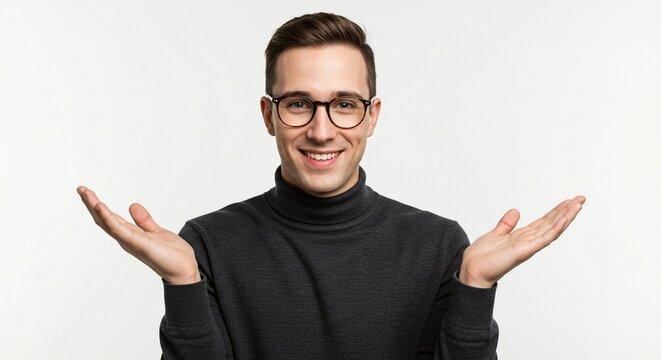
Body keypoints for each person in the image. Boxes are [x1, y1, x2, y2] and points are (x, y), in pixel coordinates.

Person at [77, 12, 585, 360]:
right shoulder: (206, 245)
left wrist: (475, 288)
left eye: (344, 104)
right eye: (299, 103)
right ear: (269, 115)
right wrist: (182, 285)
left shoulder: (438, 244)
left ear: (372, 117)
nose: (322, 131)